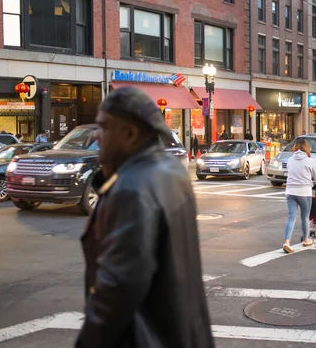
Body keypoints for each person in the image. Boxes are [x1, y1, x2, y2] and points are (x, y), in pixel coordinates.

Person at [75, 87, 214, 348]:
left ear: (130, 133)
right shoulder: (171, 171)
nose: (96, 135)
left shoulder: (132, 190)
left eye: (104, 127)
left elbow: (117, 288)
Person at [283, 139, 316, 253]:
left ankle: (287, 241)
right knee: (305, 217)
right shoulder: (310, 161)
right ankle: (306, 239)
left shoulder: (290, 160)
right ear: (306, 148)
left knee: (291, 217)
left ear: (295, 148)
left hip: (290, 191)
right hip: (304, 192)